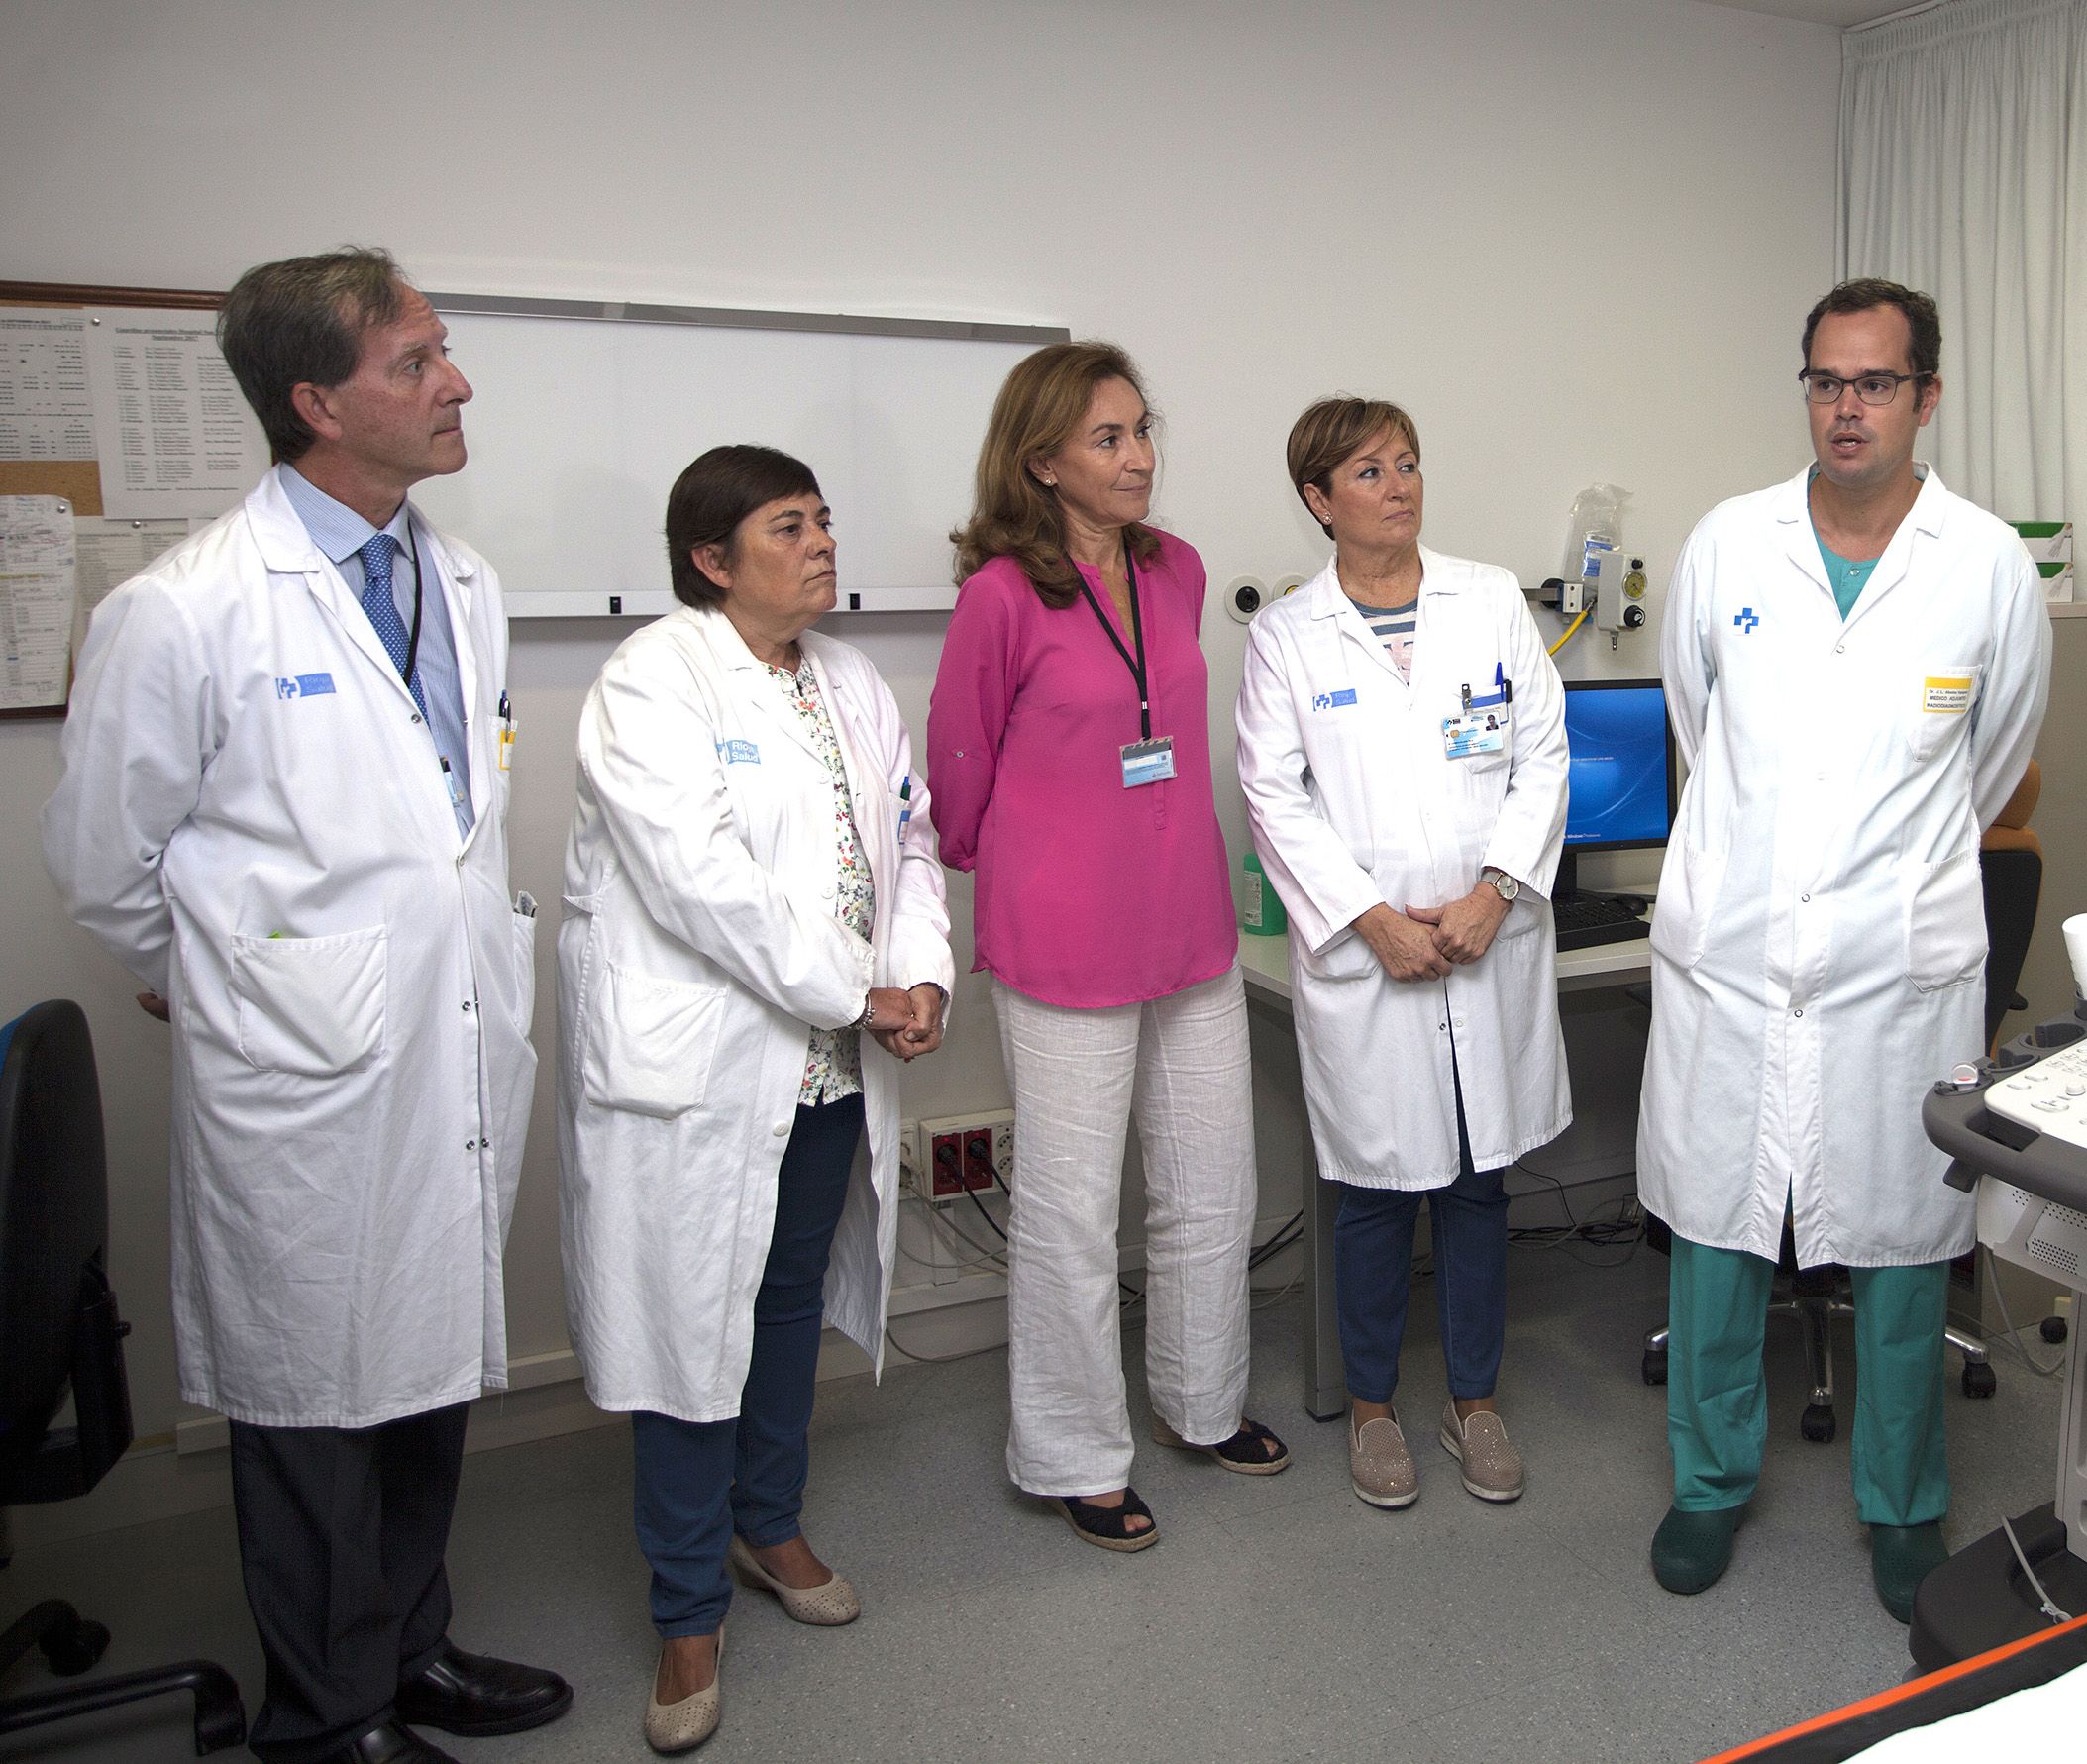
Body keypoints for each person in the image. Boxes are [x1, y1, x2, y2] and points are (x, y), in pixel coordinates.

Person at [42, 248, 568, 1764]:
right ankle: (326, 1718)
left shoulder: (461, 582)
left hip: (444, 1039)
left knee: (422, 1359)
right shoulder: (186, 609)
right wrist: (239, 977)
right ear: (317, 402)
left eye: (442, 350)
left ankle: (409, 1649)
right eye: (416, 362)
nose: (457, 382)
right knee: (313, 1390)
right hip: (302, 1069)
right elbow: (104, 865)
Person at [1639, 278, 2052, 1623]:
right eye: (1826, 381)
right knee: (1717, 1224)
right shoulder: (1729, 544)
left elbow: (1994, 761)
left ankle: (1905, 1501)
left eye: (1875, 382)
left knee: (1901, 1235)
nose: (1847, 407)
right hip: (1739, 953)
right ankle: (1709, 1483)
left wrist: (1880, 877)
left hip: (1896, 962)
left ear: (1927, 396)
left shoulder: (1985, 564)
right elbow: (1700, 727)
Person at [555, 446, 956, 1752]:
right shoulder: (651, 682)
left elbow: (908, 838)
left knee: (784, 1307)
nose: (823, 542)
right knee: (690, 1326)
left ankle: (766, 1523)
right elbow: (704, 885)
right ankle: (686, 1612)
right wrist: (861, 990)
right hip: (707, 1067)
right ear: (712, 559)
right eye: (790, 526)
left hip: (825, 1067)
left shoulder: (849, 678)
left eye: (824, 519)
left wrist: (921, 974)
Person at [928, 342, 1289, 1553]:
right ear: (1042, 462)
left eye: (1143, 431)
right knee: (1073, 1213)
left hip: (1187, 920)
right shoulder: (999, 596)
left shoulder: (1176, 569)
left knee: (1212, 1186)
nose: (1140, 457)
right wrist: (1009, 862)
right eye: (1109, 438)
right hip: (1064, 933)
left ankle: (1203, 1400)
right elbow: (960, 760)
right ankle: (1074, 1452)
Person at [1235, 398, 1572, 1508]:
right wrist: (1371, 919)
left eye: (1409, 463)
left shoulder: (1490, 600)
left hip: (1484, 937)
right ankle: (1372, 1406)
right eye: (1370, 471)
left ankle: (1473, 1398)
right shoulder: (1289, 636)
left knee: (1478, 1185)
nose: (1400, 485)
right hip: (1371, 957)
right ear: (1319, 500)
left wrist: (1495, 891)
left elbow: (1543, 753)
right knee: (1376, 1191)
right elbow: (1273, 797)